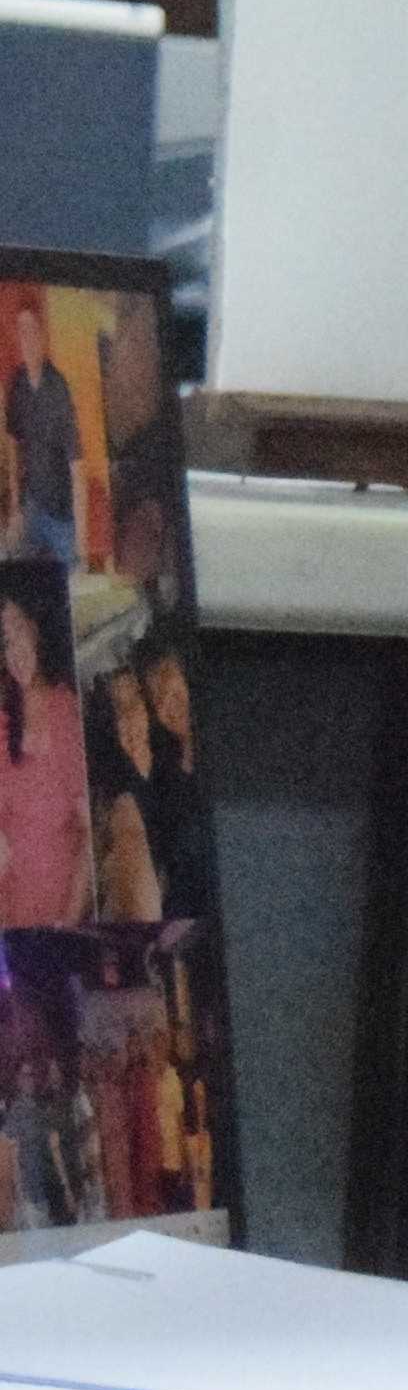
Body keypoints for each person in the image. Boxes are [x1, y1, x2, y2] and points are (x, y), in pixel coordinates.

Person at [0, 588, 88, 931]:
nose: (14, 653)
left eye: (16, 633)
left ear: (35, 628)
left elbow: (87, 837)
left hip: (55, 910)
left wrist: (66, 924)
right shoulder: (5, 716)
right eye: (4, 644)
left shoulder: (64, 710)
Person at [0, 306, 74, 576]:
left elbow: (76, 462)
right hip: (30, 504)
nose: (27, 337)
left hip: (61, 513)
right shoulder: (17, 383)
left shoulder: (58, 387)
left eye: (32, 330)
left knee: (69, 583)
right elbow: (13, 443)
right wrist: (17, 507)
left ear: (43, 336)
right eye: (22, 331)